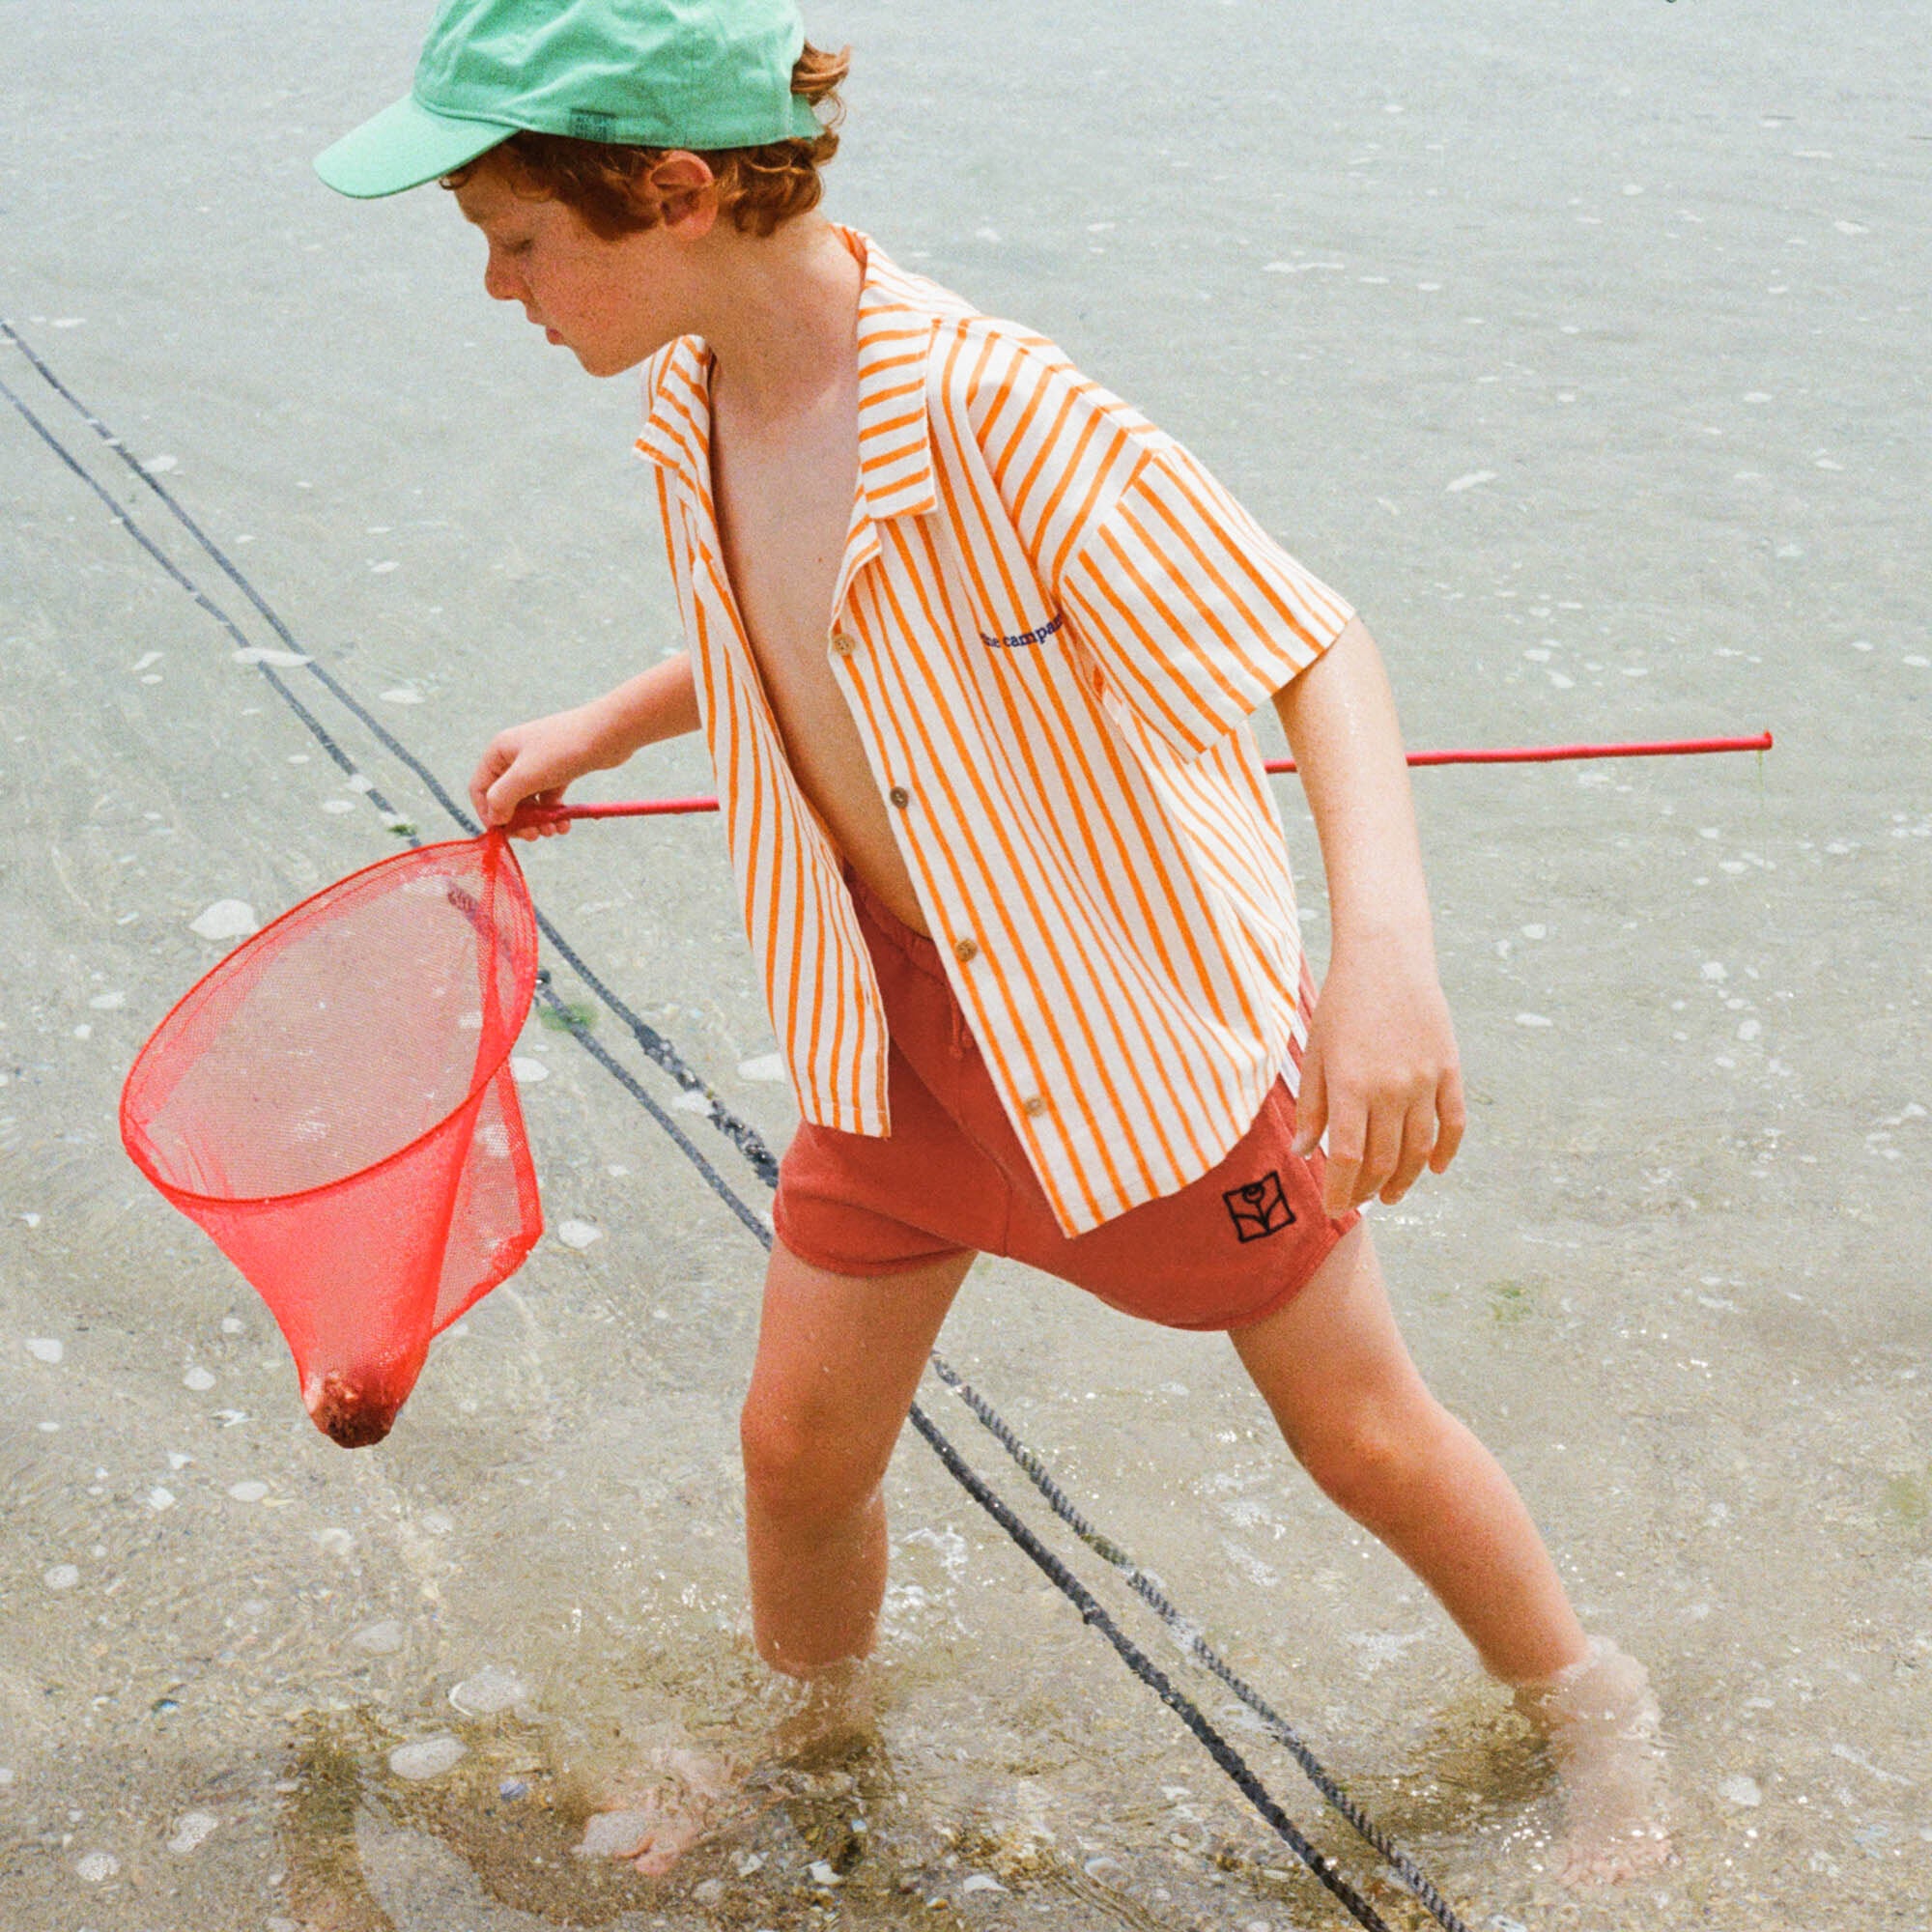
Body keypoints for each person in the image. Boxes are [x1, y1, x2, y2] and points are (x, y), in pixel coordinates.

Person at [315, 0, 1670, 1885]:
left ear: (678, 191)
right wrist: (609, 725)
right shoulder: (688, 405)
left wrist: (1383, 963)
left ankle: (1593, 1711)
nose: (493, 284)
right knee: (796, 1455)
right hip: (890, 1034)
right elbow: (794, 621)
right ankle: (816, 1748)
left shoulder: (992, 406)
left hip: (1138, 1057)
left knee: (1362, 1436)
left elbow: (1310, 644)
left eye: (516, 237)